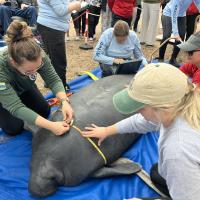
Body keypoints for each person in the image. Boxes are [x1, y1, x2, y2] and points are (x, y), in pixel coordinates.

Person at [83, 63, 200, 199]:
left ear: (161, 107)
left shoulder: (177, 151)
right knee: (157, 172)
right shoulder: (183, 103)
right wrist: (106, 131)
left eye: (140, 106)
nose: (136, 111)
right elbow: (140, 121)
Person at [0, 20, 73, 136]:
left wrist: (64, 101)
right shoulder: (1, 68)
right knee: (13, 128)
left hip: (23, 87)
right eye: (29, 71)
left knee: (44, 111)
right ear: (13, 63)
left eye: (37, 68)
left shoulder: (38, 53)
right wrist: (51, 126)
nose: (34, 73)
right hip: (2, 95)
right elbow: (15, 107)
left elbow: (53, 79)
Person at [37, 0, 81, 89]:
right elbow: (61, 10)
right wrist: (76, 4)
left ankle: (51, 82)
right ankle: (61, 87)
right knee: (59, 60)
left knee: (53, 58)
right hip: (52, 27)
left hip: (51, 26)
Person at [158, 0, 200, 67]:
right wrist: (175, 33)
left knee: (181, 35)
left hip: (181, 15)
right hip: (168, 13)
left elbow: (198, 4)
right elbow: (174, 14)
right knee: (167, 35)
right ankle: (160, 58)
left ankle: (173, 59)